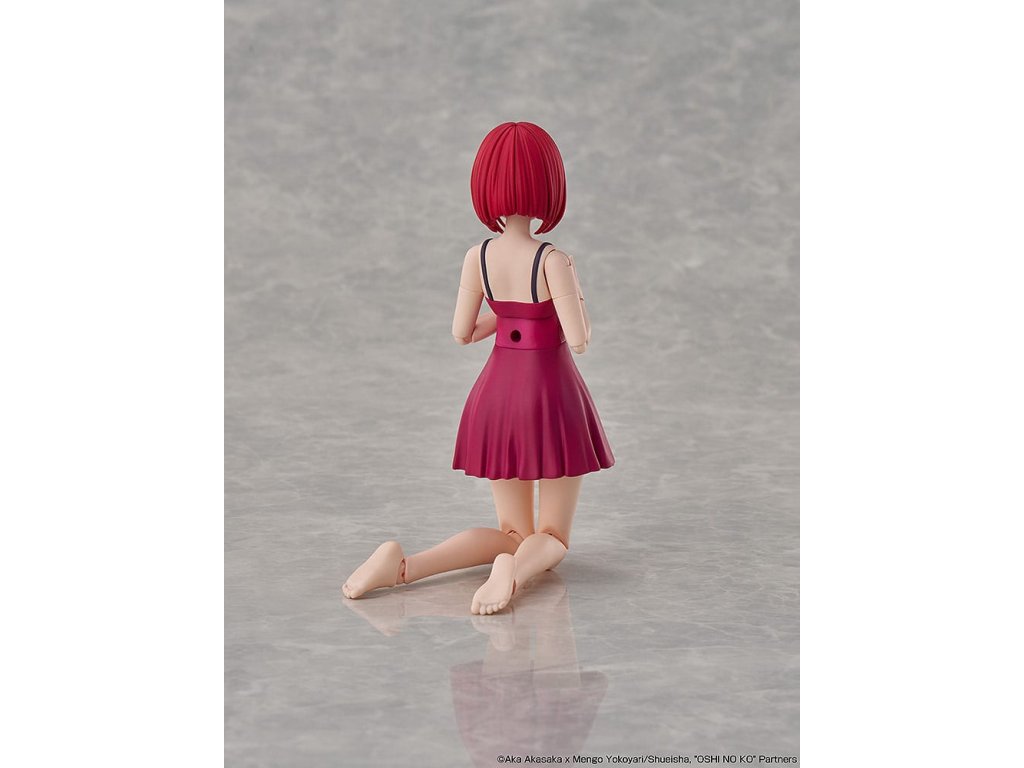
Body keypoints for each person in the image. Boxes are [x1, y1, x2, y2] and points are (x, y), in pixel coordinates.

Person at [342, 122, 614, 614]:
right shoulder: (553, 260)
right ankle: (514, 573)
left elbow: (463, 333)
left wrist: (512, 316)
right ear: (549, 185)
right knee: (551, 536)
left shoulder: (478, 256)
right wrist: (571, 295)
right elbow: (579, 340)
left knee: (512, 533)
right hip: (550, 395)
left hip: (496, 395)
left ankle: (404, 567)